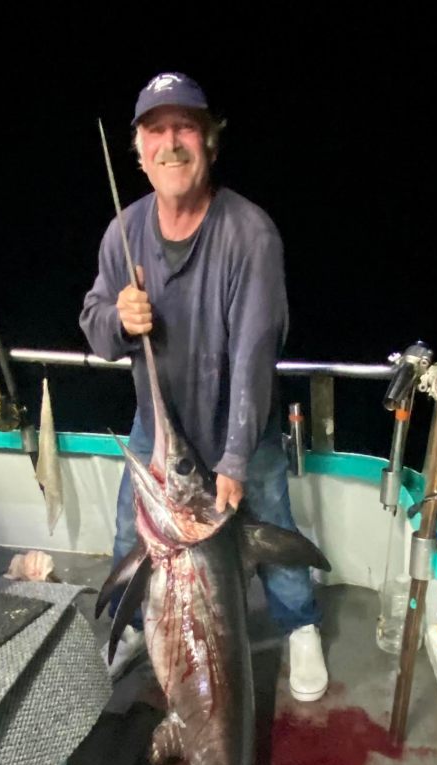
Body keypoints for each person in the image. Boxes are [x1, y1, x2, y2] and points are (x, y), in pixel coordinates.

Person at [80, 71, 328, 702]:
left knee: (271, 525)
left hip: (239, 424)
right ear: (138, 152)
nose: (171, 143)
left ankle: (300, 627)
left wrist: (238, 457)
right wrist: (118, 319)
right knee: (125, 536)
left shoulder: (250, 234)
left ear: (210, 140)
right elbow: (94, 324)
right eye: (155, 131)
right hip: (158, 427)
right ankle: (135, 627)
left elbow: (253, 355)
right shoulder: (122, 233)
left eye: (185, 127)